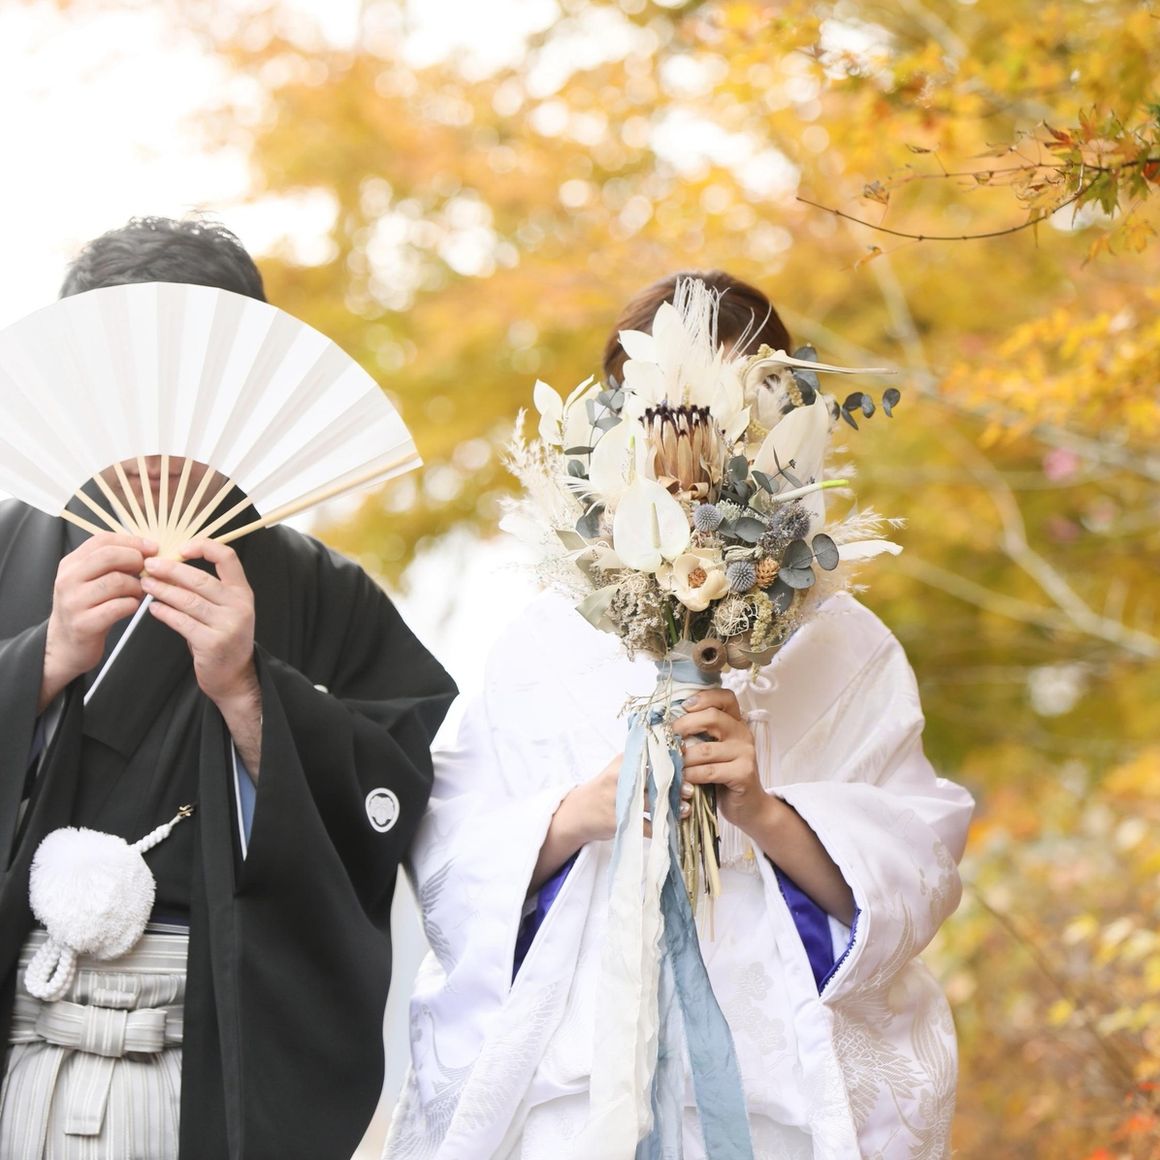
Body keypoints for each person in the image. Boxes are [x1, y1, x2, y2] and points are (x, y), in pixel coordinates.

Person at [387, 271, 974, 1159]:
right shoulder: (547, 633)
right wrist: (575, 815)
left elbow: (914, 865)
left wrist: (766, 814)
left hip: (775, 1084)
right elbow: (450, 853)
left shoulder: (844, 641)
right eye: (659, 414)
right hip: (572, 1087)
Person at [0, 217, 457, 1159]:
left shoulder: (323, 592)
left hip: (211, 1042)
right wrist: (43, 662)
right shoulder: (9, 547)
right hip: (18, 1023)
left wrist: (251, 693)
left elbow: (398, 795)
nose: (154, 420)